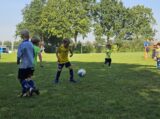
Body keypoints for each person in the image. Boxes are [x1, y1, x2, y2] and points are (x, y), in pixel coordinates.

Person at [17, 29, 35, 97]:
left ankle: (29, 88)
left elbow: (19, 55)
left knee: (21, 79)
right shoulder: (31, 44)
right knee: (28, 78)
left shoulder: (22, 44)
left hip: (24, 65)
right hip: (31, 65)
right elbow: (33, 53)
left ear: (22, 36)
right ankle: (26, 92)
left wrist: (18, 61)